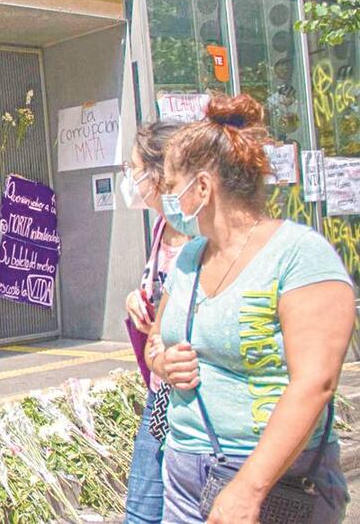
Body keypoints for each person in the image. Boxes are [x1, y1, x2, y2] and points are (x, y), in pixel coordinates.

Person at [146, 93, 354, 523]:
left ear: (202, 188)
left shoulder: (300, 255)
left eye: (170, 186)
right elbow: (156, 337)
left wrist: (249, 487)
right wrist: (163, 362)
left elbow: (315, 381)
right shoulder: (189, 258)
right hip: (185, 469)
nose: (166, 200)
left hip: (277, 478)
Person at [120, 120, 188, 524]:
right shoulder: (161, 226)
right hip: (159, 390)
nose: (130, 179)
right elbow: (157, 290)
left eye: (133, 168)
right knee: (141, 511)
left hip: (188, 392)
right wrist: (136, 299)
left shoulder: (199, 236)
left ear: (159, 174)